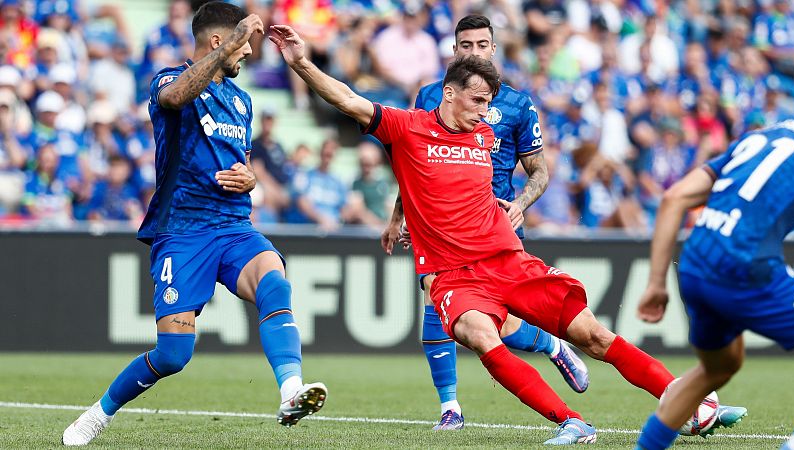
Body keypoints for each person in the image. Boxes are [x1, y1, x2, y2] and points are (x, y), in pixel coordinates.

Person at [269, 24, 746, 445]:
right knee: (478, 335)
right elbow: (348, 100)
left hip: (508, 259)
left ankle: (689, 400)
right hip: (455, 274)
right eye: (478, 101)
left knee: (595, 335)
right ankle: (571, 422)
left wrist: (512, 204)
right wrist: (302, 63)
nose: (485, 112)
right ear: (449, 93)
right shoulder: (408, 127)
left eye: (490, 103)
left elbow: (516, 173)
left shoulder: (485, 135)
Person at [61, 4, 327, 446]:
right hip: (183, 230)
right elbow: (174, 97)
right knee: (173, 354)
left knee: (275, 283)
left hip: (233, 225)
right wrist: (237, 36)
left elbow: (239, 165)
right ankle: (99, 411)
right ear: (218, 42)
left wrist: (253, 178)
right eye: (243, 46)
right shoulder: (168, 79)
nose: (248, 57)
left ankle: (290, 391)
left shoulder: (242, 100)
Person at [380, 15, 589, 431]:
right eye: (465, 45)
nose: (473, 51)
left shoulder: (515, 103)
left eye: (481, 44)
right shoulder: (430, 97)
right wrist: (398, 216)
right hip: (440, 225)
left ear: (494, 49)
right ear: (454, 50)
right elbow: (414, 162)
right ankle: (450, 407)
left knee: (500, 322)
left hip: (495, 224)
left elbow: (540, 173)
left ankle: (550, 343)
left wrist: (519, 204)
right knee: (437, 301)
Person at [635, 117, 794, 449]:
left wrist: (656, 283)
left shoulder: (760, 137)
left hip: (695, 263)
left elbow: (674, 198)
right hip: (744, 266)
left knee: (720, 365)